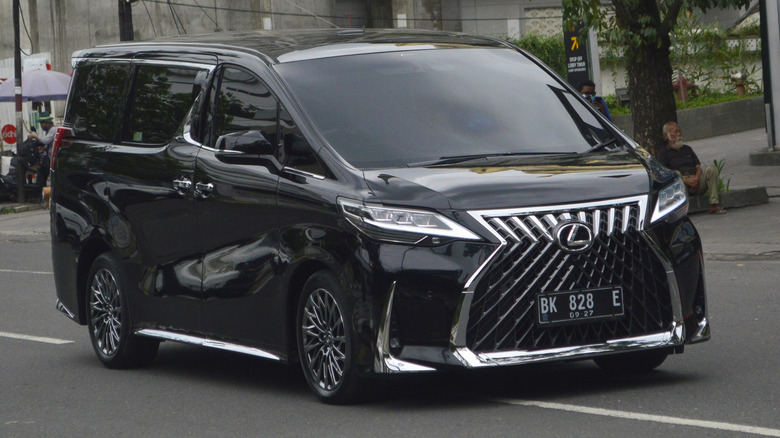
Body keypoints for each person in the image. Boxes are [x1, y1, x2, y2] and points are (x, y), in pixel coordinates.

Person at [657, 121, 726, 214]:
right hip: (681, 185)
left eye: (679, 131)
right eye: (675, 132)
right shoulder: (663, 153)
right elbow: (665, 173)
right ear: (666, 136)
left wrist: (696, 179)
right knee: (675, 173)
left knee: (711, 169)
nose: (679, 134)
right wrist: (686, 181)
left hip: (695, 180)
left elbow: (698, 167)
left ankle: (714, 204)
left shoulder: (687, 149)